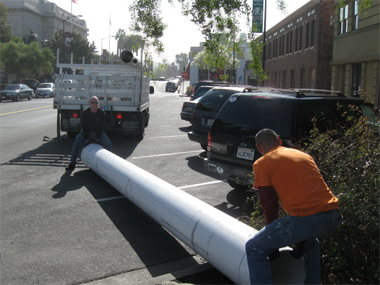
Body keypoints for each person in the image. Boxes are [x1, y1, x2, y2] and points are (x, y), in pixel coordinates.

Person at [245, 128, 342, 284]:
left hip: (308, 220)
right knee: (311, 241)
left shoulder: (262, 163)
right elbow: (311, 202)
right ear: (279, 139)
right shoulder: (303, 155)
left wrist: (272, 245)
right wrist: (300, 241)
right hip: (333, 216)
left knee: (253, 248)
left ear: (259, 148)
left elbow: (269, 205)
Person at [65, 96, 112, 170]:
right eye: (93, 102)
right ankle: (72, 163)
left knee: (108, 145)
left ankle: (109, 164)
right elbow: (84, 127)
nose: (95, 104)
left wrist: (97, 139)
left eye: (96, 102)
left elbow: (100, 128)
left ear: (98, 104)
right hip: (86, 131)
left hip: (97, 131)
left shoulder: (102, 113)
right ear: (89, 103)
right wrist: (87, 139)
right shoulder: (85, 113)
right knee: (76, 144)